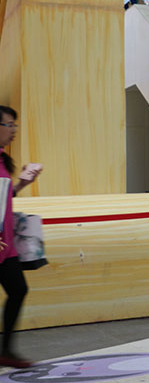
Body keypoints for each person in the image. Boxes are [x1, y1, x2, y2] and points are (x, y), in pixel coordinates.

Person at [0, 106, 41, 367]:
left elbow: (3, 198)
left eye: (15, 125)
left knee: (18, 289)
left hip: (6, 246)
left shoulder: (3, 159)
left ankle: (6, 351)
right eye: (9, 125)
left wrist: (22, 184)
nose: (14, 130)